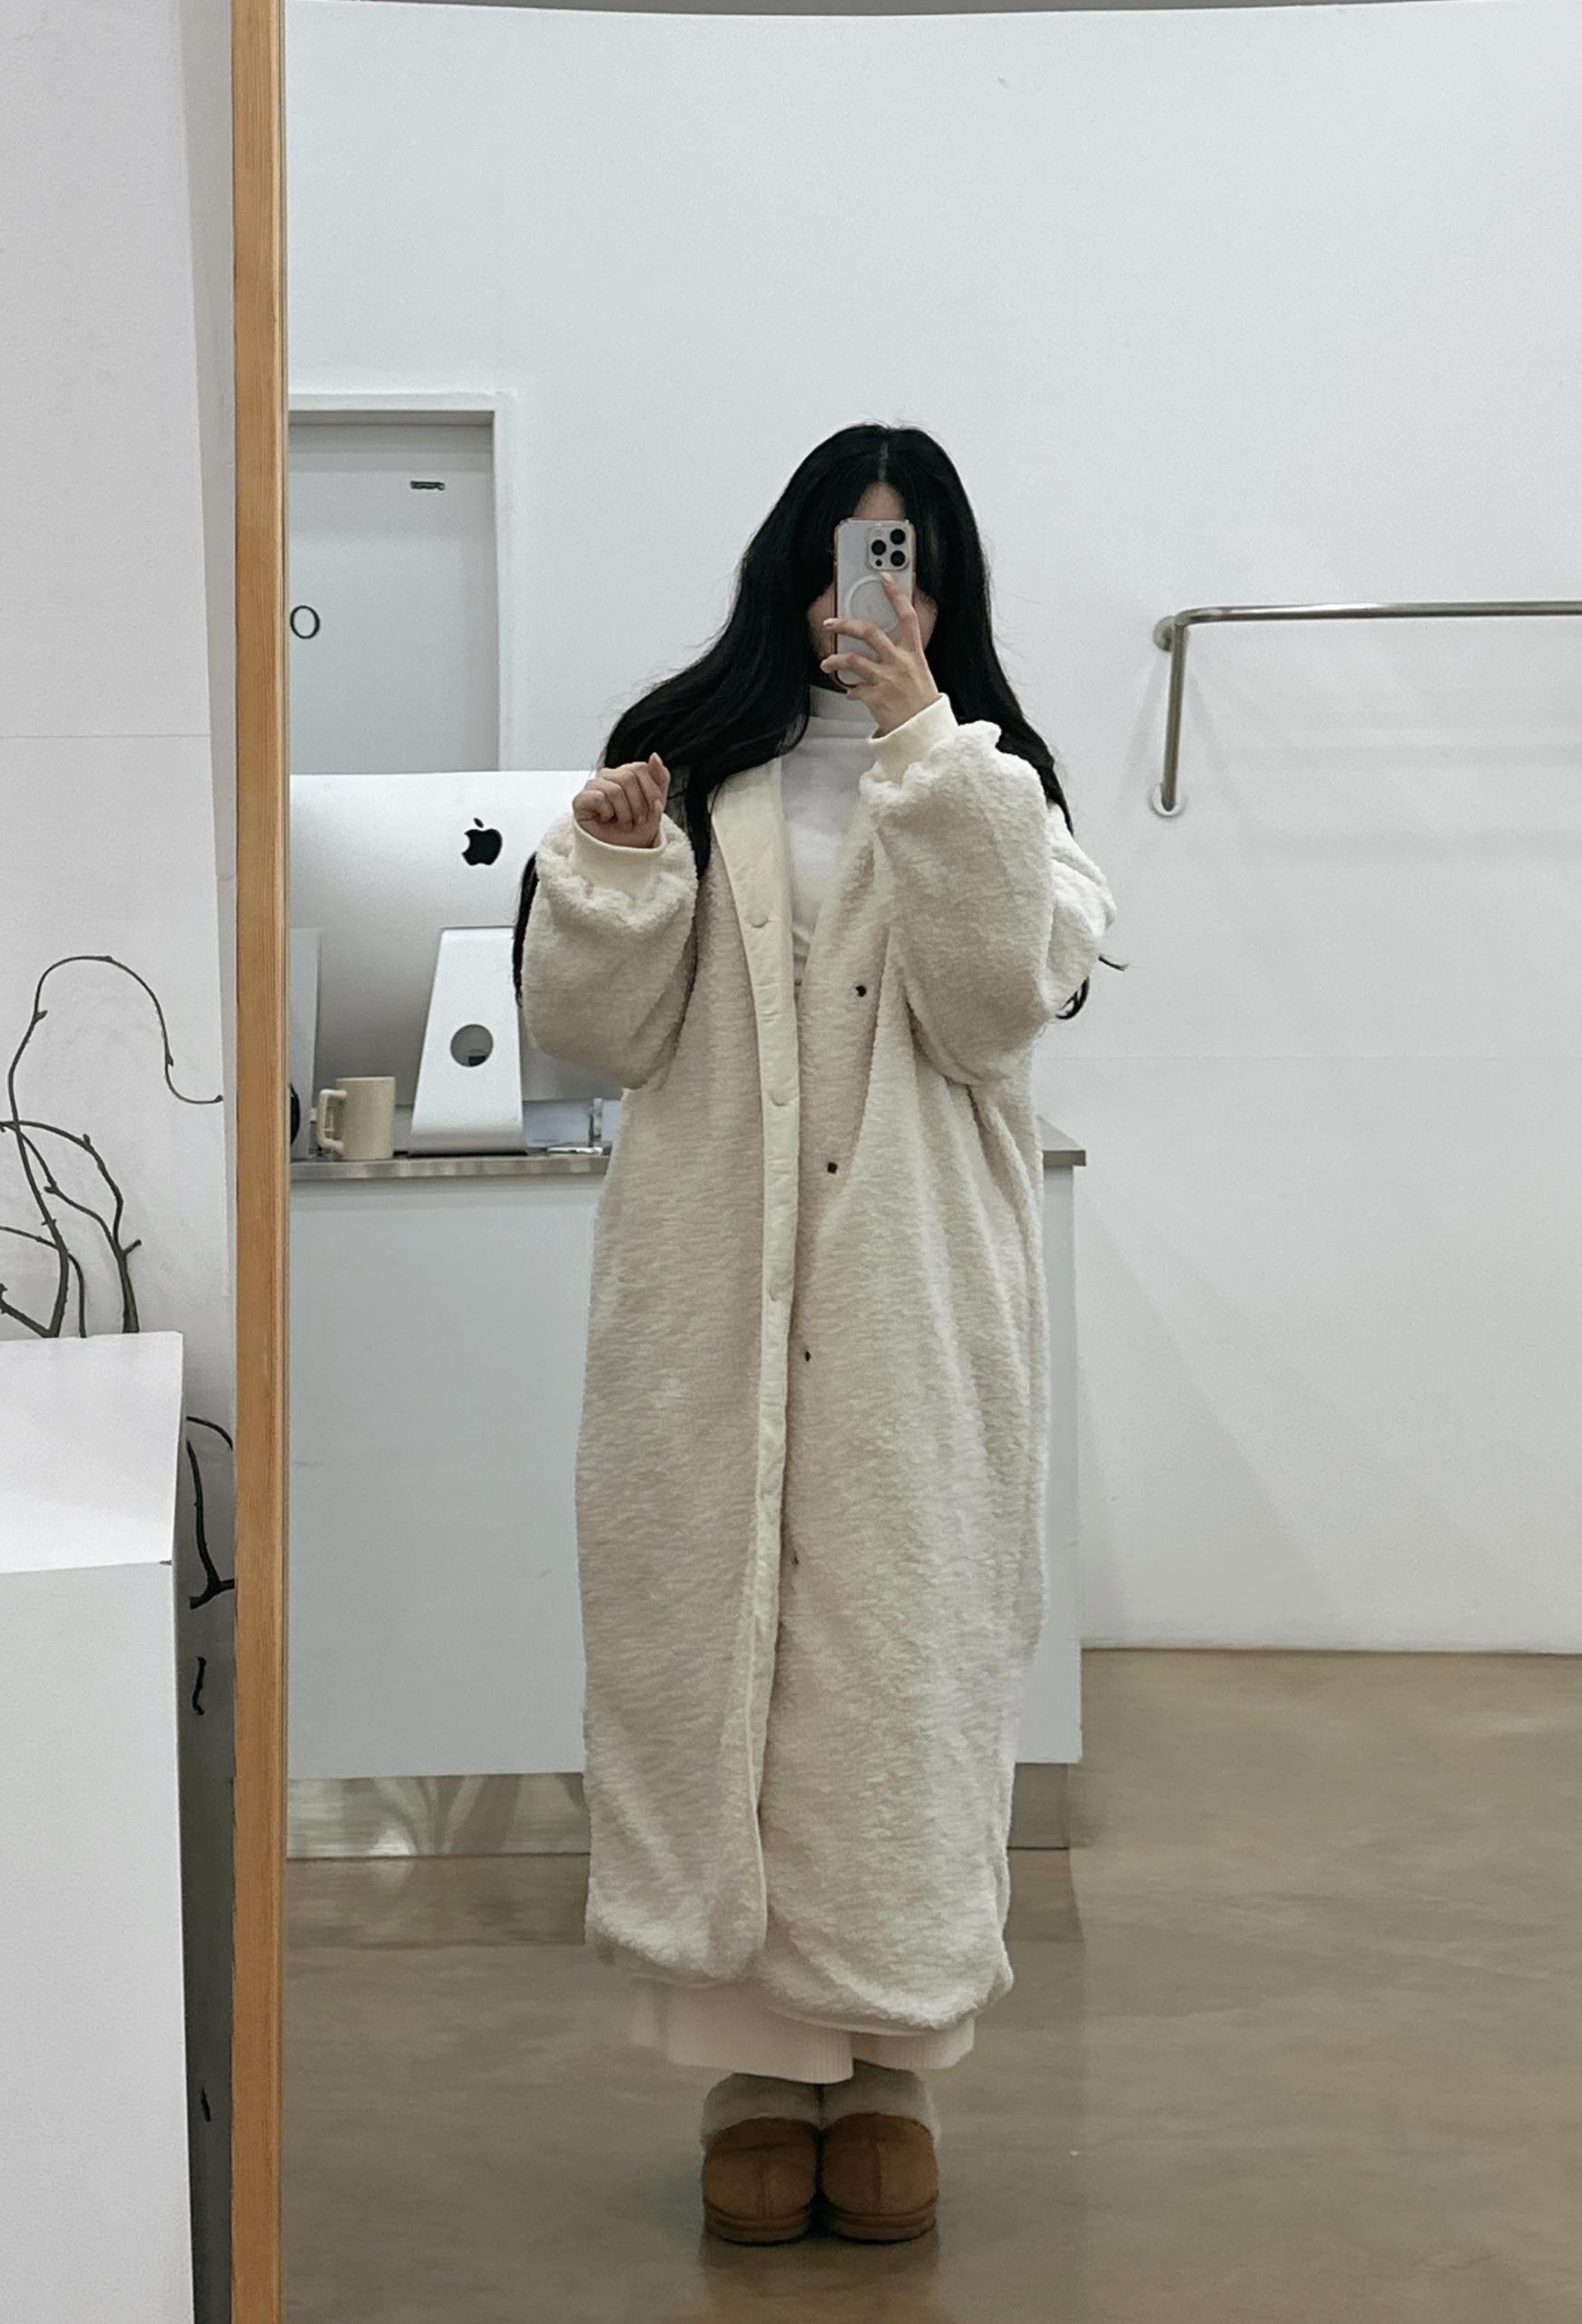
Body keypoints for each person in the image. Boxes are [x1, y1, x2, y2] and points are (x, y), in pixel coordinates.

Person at [510, 423, 1118, 2244]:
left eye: (906, 556)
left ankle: (895, 2066)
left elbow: (996, 1004)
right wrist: (616, 870)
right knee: (725, 1664)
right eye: (855, 552)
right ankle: (755, 2076)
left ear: (945, 586)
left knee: (890, 1665)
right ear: (797, 569)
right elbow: (599, 1037)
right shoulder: (695, 763)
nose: (879, 590)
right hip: (708, 1309)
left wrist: (929, 750)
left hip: (912, 1321)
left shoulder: (1000, 782)